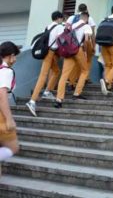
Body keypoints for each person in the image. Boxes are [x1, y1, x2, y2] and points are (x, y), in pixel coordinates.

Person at [26, 11, 64, 116]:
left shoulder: (48, 26)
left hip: (47, 52)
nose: (62, 20)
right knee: (43, 76)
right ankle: (32, 101)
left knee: (56, 71)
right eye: (62, 18)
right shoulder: (59, 27)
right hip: (50, 52)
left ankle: (47, 91)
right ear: (59, 18)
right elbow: (62, 40)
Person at [54, 12, 93, 108]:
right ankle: (77, 93)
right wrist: (86, 51)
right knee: (85, 71)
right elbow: (87, 40)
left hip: (69, 51)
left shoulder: (72, 25)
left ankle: (59, 99)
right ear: (86, 18)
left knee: (64, 75)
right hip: (78, 50)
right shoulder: (86, 26)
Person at [0, 41, 21, 172]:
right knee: (13, 147)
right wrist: (9, 119)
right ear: (11, 55)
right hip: (1, 116)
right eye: (15, 56)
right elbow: (2, 96)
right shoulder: (6, 71)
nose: (16, 59)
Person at [66, 3, 96, 85]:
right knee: (87, 60)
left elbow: (66, 30)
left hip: (71, 44)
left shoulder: (71, 18)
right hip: (84, 43)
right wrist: (94, 45)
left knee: (75, 61)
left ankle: (72, 80)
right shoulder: (89, 18)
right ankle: (85, 78)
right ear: (86, 10)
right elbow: (92, 34)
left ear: (78, 9)